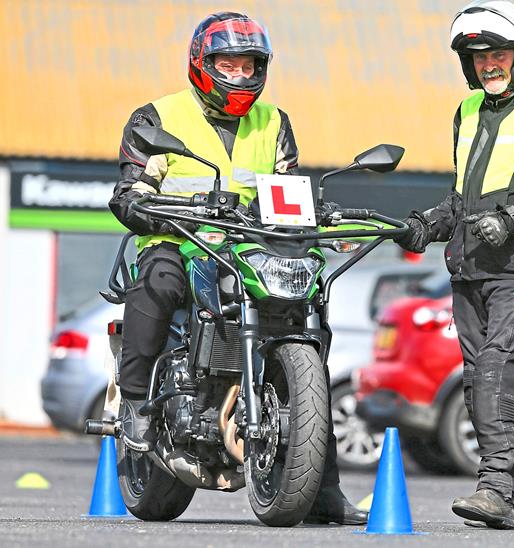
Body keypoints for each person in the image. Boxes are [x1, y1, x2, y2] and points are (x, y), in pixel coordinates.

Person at [108, 11, 367, 525]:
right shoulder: (157, 118)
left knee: (308, 323)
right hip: (177, 241)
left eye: (250, 66)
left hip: (250, 248)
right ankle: (137, 405)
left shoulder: (273, 122)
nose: (241, 76)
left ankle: (323, 489)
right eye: (229, 64)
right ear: (203, 65)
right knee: (157, 283)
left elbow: (288, 189)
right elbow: (128, 191)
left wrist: (319, 217)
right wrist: (141, 204)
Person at [395, 0, 514, 530]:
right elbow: (462, 199)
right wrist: (424, 225)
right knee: (483, 385)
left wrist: (513, 219)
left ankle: (496, 488)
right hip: (469, 270)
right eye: (478, 56)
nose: (489, 64)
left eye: (498, 53)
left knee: (499, 373)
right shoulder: (468, 111)